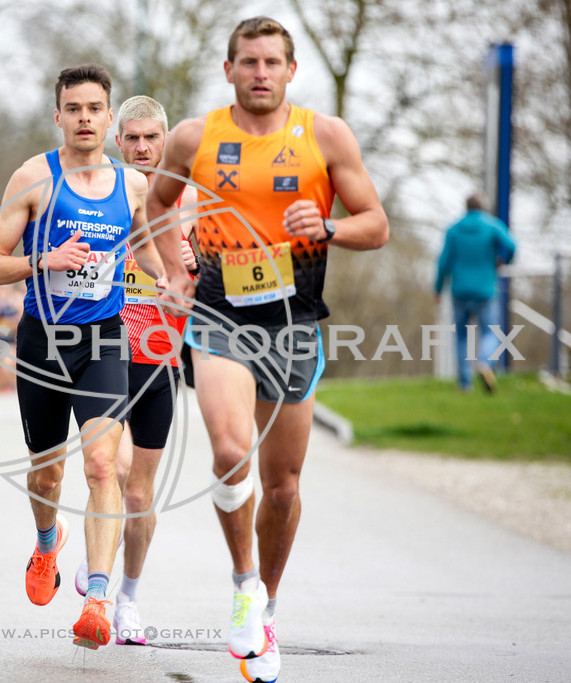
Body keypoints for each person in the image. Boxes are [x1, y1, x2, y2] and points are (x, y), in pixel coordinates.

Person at [147, 17, 389, 682]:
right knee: (230, 452)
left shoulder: (326, 135)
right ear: (228, 70)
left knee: (282, 489)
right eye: (248, 61)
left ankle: (268, 605)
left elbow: (377, 224)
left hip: (295, 323)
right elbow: (159, 206)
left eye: (272, 62)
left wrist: (332, 224)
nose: (260, 72)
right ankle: (244, 582)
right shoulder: (196, 136)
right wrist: (174, 269)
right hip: (219, 317)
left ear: (290, 71)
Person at [0, 64, 167, 650]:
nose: (84, 118)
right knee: (49, 470)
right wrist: (45, 260)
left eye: (94, 108)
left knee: (102, 466)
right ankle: (45, 544)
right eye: (74, 108)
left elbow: (143, 239)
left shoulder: (132, 185)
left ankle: (98, 599)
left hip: (104, 340)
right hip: (42, 341)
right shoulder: (33, 179)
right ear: (57, 115)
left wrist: (163, 277)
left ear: (110, 119)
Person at [70, 95, 199, 646]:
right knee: (113, 471)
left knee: (142, 494)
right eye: (133, 138)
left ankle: (128, 598)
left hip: (162, 357)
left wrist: (196, 269)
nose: (143, 148)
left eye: (153, 138)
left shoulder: (191, 200)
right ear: (118, 141)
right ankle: (99, 565)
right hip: (107, 349)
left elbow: (208, 275)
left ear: (164, 140)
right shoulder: (103, 192)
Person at [434, 192, 516, 393]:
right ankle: (485, 364)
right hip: (486, 291)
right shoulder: (492, 226)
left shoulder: (453, 230)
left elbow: (443, 262)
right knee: (490, 332)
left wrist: (437, 288)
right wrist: (503, 260)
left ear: (466, 207)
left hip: (459, 291)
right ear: (482, 207)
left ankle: (464, 383)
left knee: (461, 337)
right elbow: (512, 246)